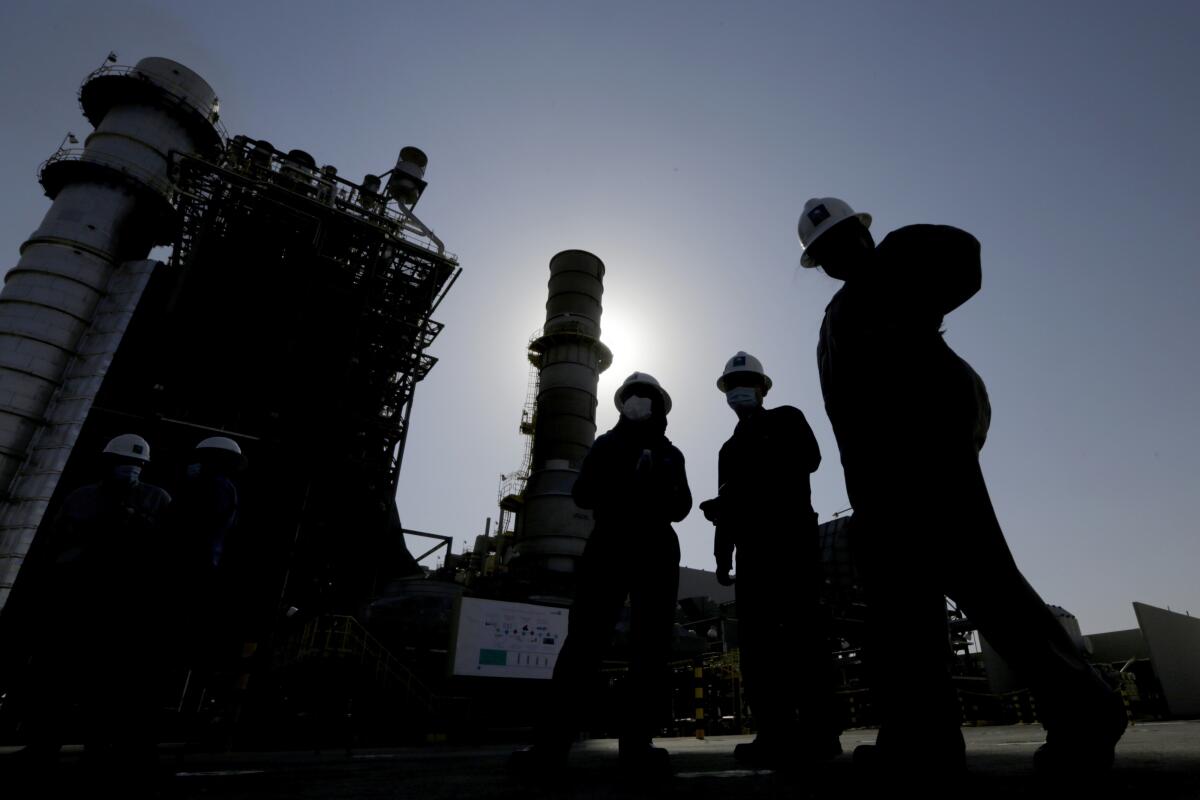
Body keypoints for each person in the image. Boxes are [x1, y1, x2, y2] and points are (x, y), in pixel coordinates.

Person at [796, 197, 1126, 775]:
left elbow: (960, 254)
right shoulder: (836, 317)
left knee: (985, 582)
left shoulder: (893, 279)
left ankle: (1087, 710)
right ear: (818, 264)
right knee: (902, 613)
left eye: (847, 239)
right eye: (826, 252)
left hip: (930, 462)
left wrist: (890, 254)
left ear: (864, 237)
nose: (838, 256)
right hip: (877, 482)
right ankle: (923, 738)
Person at [511, 372, 692, 773]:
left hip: (656, 548)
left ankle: (637, 744)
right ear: (622, 404)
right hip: (609, 542)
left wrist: (655, 484)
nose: (639, 401)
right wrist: (624, 476)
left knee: (651, 645)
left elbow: (682, 507)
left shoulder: (670, 454)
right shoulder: (607, 445)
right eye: (632, 395)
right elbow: (582, 493)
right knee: (584, 640)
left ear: (660, 406)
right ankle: (550, 746)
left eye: (647, 396)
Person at [699, 352, 840, 769]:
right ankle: (773, 733)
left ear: (763, 388)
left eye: (746, 382)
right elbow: (727, 504)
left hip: (791, 543)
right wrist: (723, 556)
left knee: (804, 637)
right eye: (732, 384)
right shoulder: (728, 448)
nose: (739, 390)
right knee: (758, 647)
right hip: (753, 555)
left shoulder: (787, 419)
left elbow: (809, 460)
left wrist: (744, 493)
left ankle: (820, 733)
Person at [14, 434, 172, 770]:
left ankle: (96, 746)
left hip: (122, 602)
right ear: (108, 464)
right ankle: (45, 744)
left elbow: (166, 551)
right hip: (77, 596)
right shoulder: (82, 498)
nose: (131, 469)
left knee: (107, 679)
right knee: (57, 676)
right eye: (125, 463)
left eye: (137, 465)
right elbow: (53, 543)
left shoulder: (156, 499)